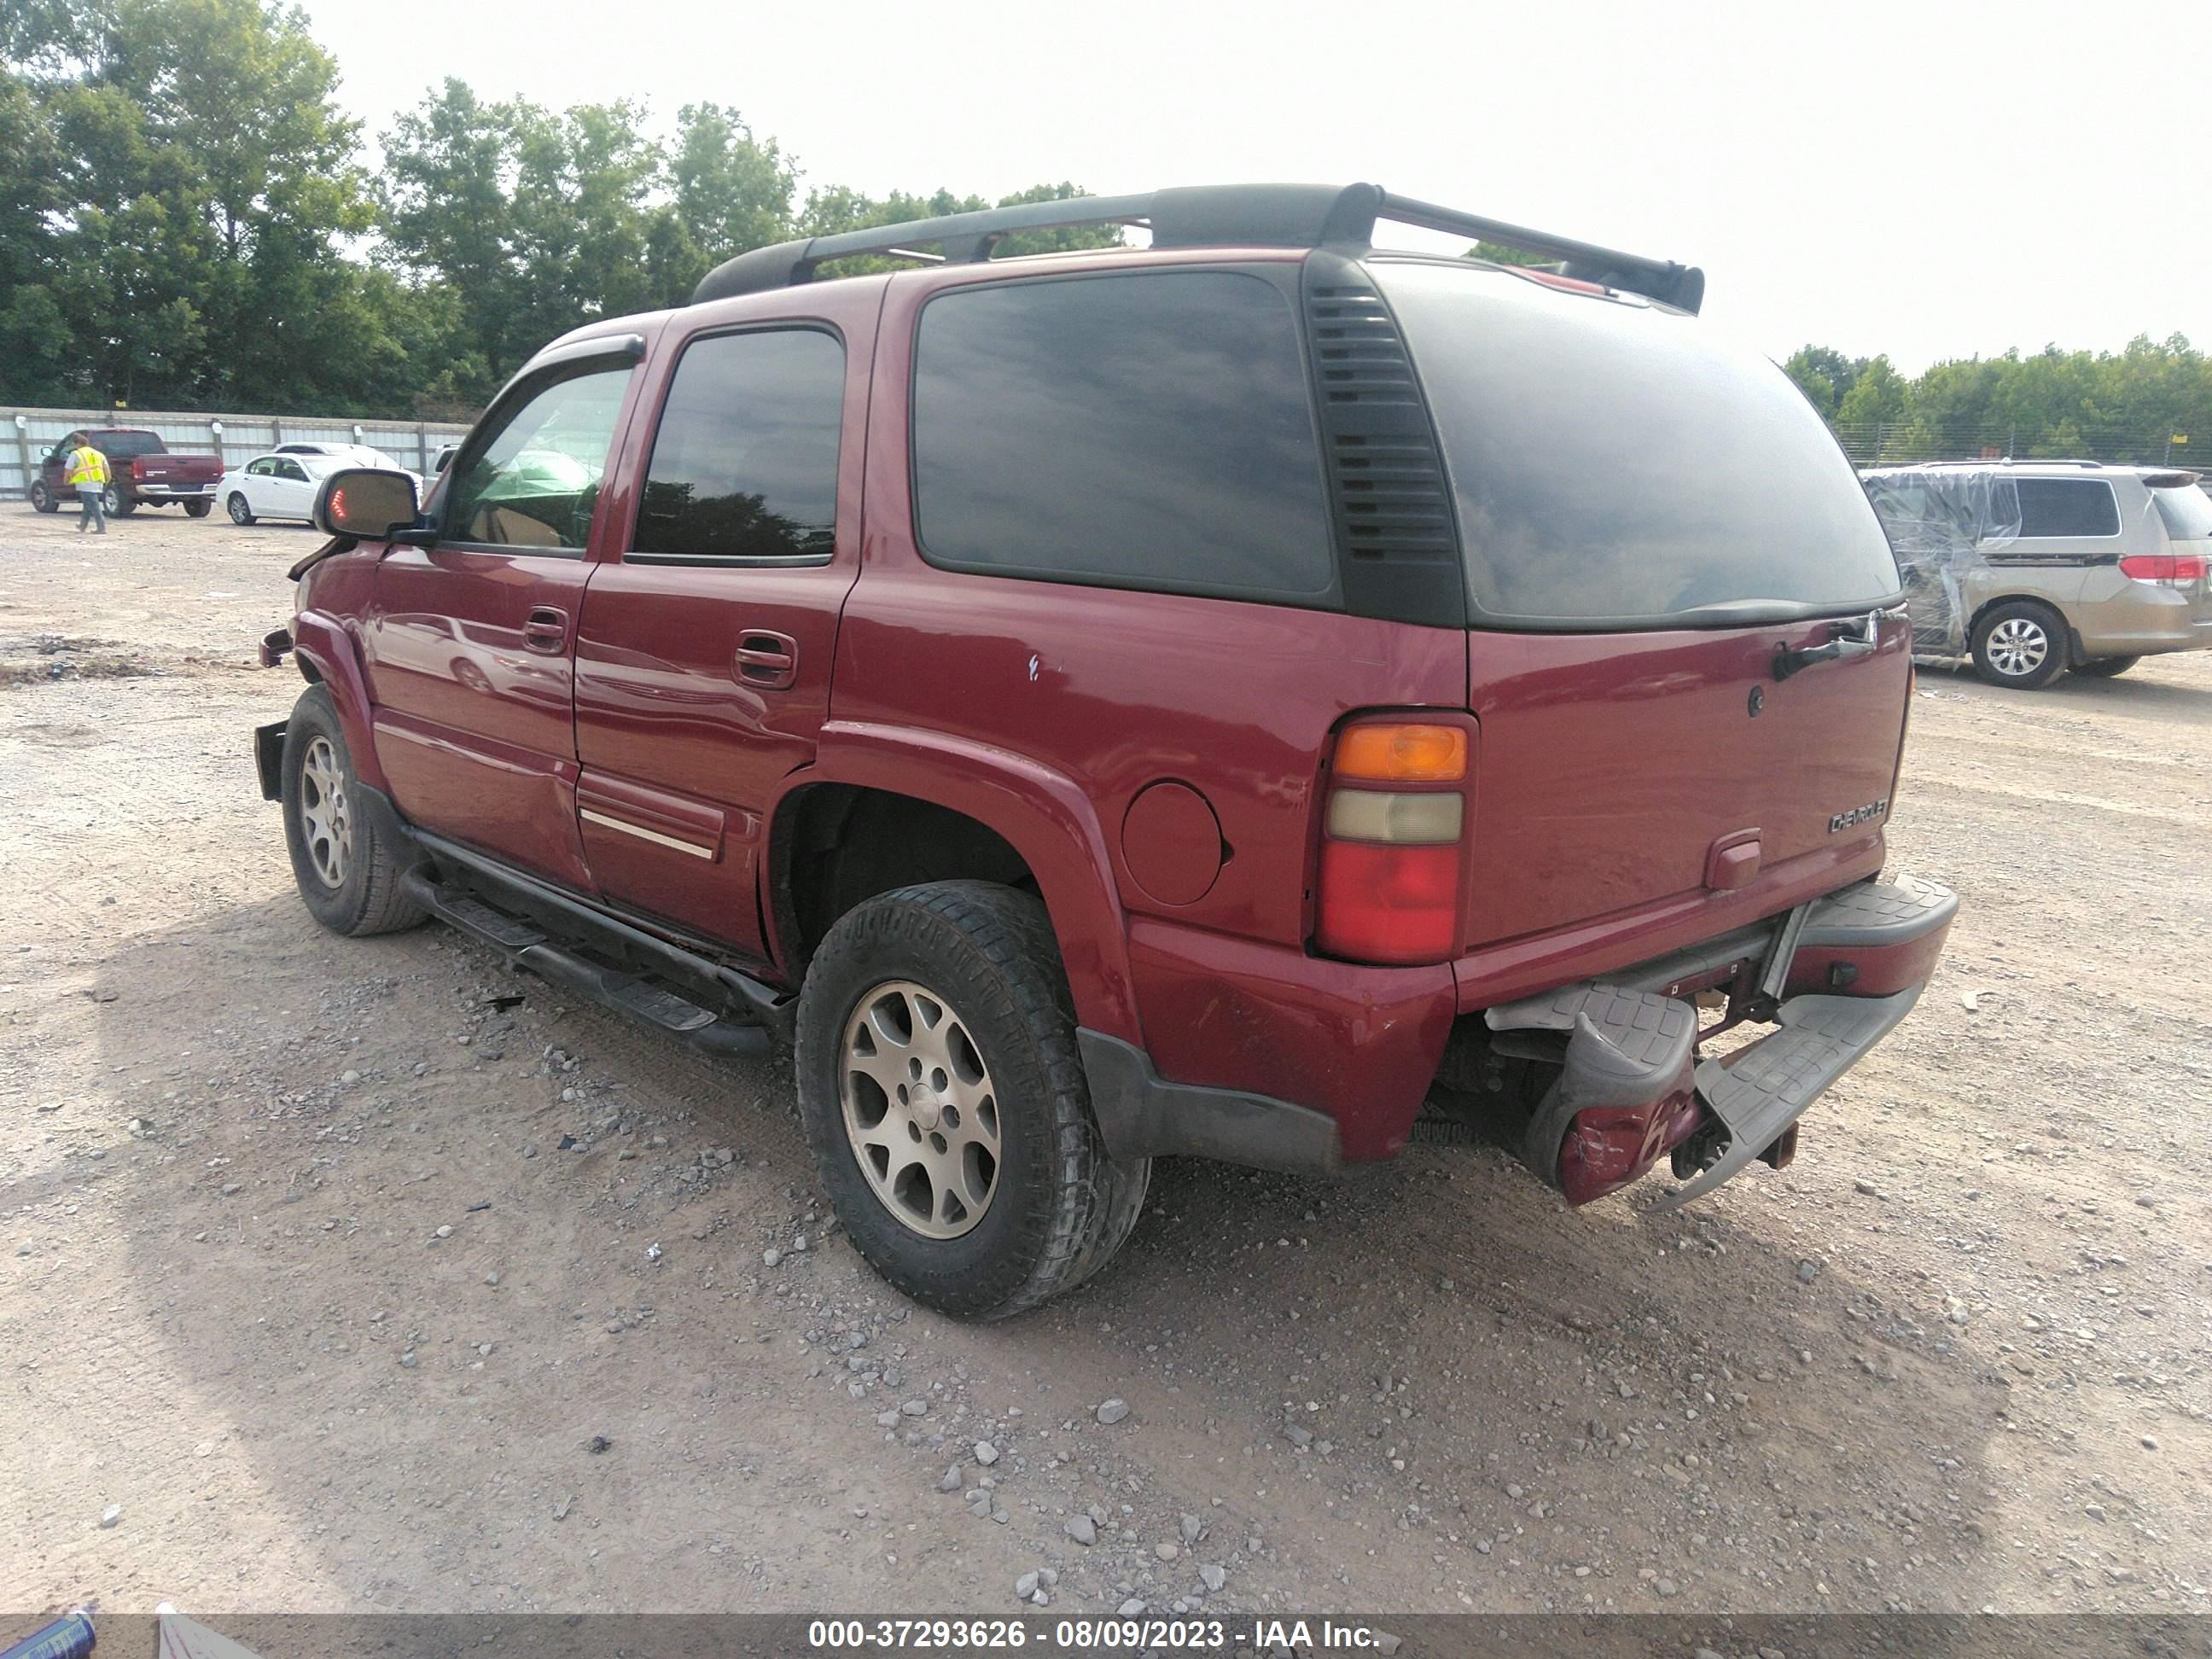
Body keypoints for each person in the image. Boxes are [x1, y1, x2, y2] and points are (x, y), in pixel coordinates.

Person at [65, 438, 110, 534]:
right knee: (88, 505)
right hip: (98, 482)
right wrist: (107, 480)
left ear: (77, 444)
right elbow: (106, 469)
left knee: (94, 506)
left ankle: (101, 528)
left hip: (85, 483)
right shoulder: (99, 454)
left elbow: (68, 469)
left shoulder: (76, 454)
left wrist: (66, 480)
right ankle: (82, 525)